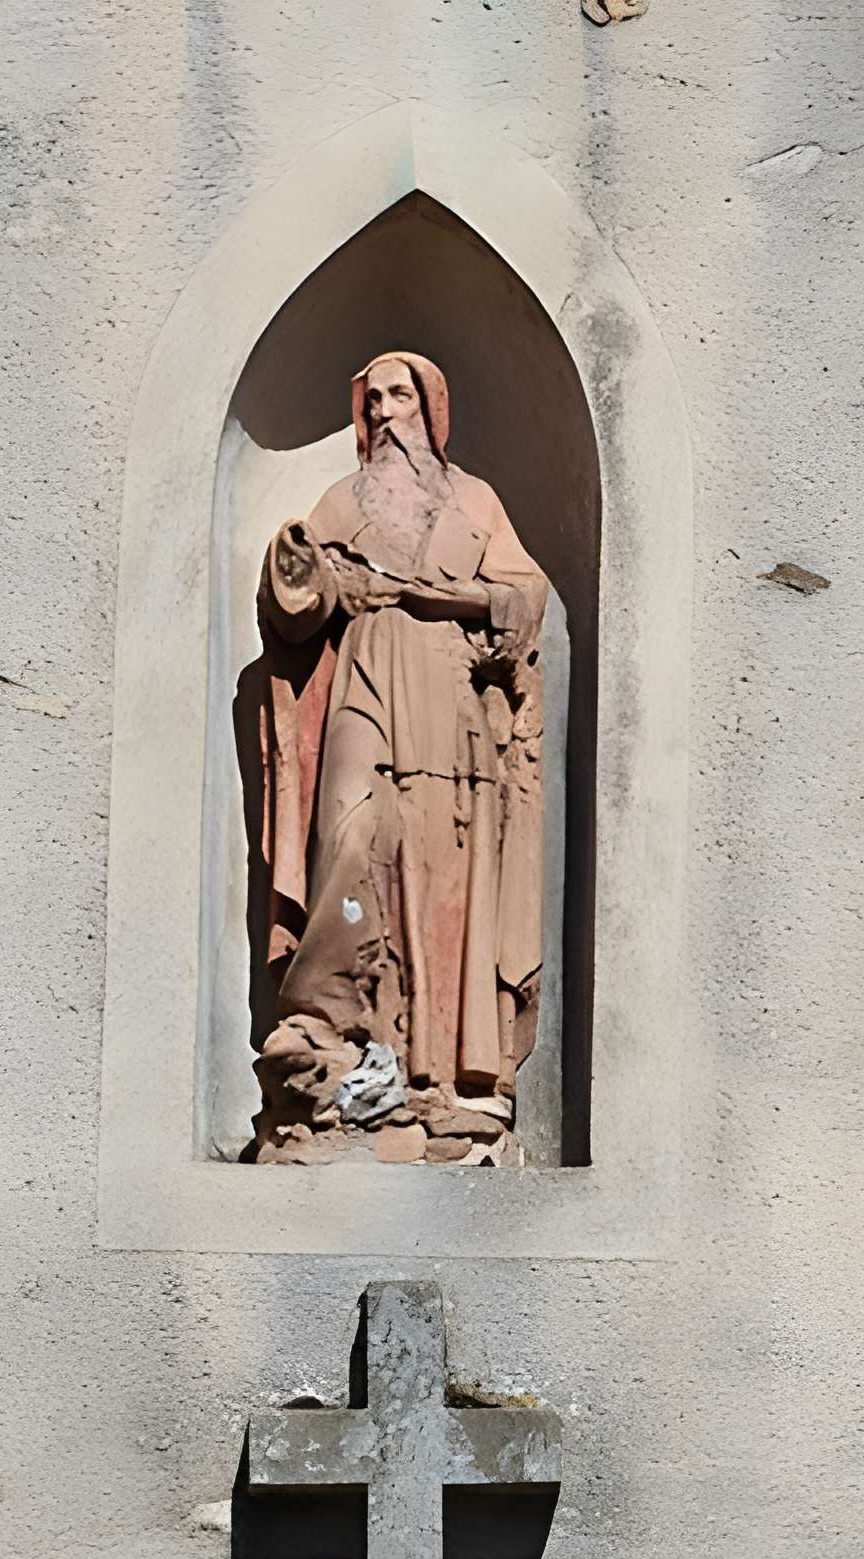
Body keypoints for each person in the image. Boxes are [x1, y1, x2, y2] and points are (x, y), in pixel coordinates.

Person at [252, 351, 549, 1163]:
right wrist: (296, 572)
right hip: (365, 676)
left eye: (399, 395)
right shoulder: (344, 499)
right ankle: (324, 1017)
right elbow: (306, 601)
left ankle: (441, 1070)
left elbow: (524, 597)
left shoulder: (476, 501)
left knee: (440, 866)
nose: (384, 411)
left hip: (448, 697)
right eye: (373, 398)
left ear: (429, 406)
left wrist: (444, 598)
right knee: (348, 829)